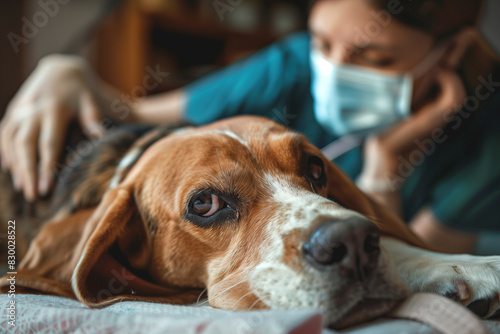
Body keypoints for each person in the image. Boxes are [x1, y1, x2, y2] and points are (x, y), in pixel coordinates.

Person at [1, 0, 499, 254]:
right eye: (321, 43)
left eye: (373, 56)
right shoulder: (289, 66)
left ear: (451, 50)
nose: (332, 69)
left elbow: (408, 262)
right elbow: (134, 114)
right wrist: (67, 72)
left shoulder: (487, 134)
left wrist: (384, 169)